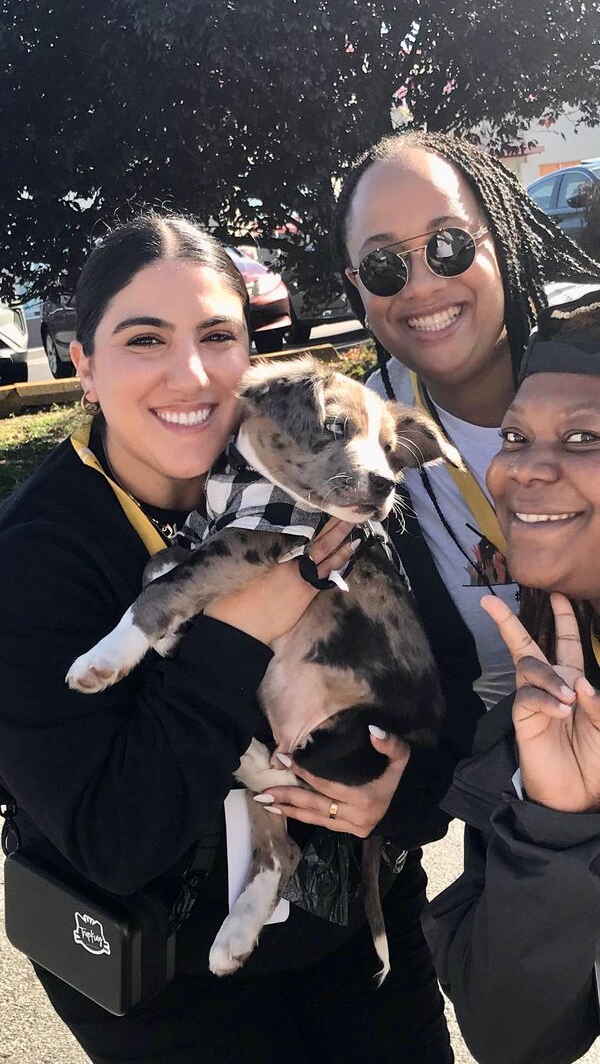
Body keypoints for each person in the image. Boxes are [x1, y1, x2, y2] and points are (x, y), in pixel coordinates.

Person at [0, 212, 454, 1064]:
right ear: (84, 368)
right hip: (168, 986)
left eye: (219, 335)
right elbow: (115, 840)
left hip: (354, 938)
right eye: (144, 339)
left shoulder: (321, 481)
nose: (193, 372)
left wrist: (399, 796)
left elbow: (426, 704)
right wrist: (238, 624)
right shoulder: (33, 561)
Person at [326, 129, 600, 837]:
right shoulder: (363, 452)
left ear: (499, 237)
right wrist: (391, 793)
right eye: (385, 266)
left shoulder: (589, 344)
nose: (421, 285)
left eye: (448, 244)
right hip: (529, 799)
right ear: (358, 288)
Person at [421, 288, 600, 1064]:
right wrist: (556, 823)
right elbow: (514, 1040)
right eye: (516, 435)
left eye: (584, 436)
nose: (526, 468)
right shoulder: (546, 708)